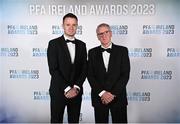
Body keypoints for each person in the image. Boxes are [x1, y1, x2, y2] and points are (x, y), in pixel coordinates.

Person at [47, 13, 87, 123]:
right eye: (68, 24)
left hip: (76, 92)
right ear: (63, 26)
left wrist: (76, 87)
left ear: (77, 26)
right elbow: (53, 69)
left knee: (74, 121)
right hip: (59, 91)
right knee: (56, 120)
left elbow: (84, 69)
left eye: (74, 25)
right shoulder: (53, 44)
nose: (71, 27)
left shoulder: (82, 45)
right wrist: (68, 89)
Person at [87, 23, 130, 123]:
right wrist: (103, 93)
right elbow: (90, 75)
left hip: (118, 98)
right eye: (100, 34)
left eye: (106, 32)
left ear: (111, 33)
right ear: (97, 37)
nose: (104, 35)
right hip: (99, 99)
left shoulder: (123, 51)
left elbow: (125, 75)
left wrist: (112, 94)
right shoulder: (92, 52)